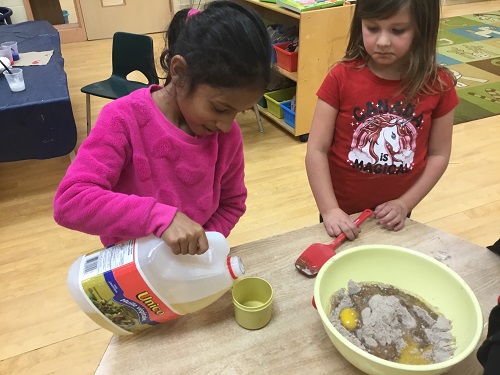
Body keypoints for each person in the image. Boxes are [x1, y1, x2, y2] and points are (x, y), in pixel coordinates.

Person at [53, 1, 271, 255]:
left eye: (239, 112)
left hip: (185, 266)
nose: (225, 125)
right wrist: (157, 216)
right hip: (129, 267)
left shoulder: (226, 136)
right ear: (179, 72)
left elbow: (232, 204)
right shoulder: (124, 118)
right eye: (220, 109)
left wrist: (202, 245)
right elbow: (70, 201)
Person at [305, 0, 459, 240]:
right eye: (372, 28)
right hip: (339, 212)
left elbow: (439, 155)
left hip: (396, 214)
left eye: (398, 30)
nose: (383, 42)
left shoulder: (439, 84)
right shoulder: (340, 77)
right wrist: (329, 209)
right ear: (360, 24)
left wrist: (405, 204)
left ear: (422, 28)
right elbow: (317, 149)